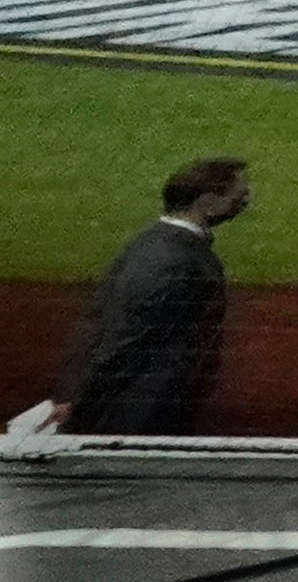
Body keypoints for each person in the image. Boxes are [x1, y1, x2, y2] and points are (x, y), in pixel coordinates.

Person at [50, 156, 247, 434]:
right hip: (141, 415)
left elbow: (94, 323)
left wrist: (73, 394)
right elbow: (124, 338)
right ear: (208, 203)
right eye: (237, 194)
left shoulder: (154, 243)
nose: (245, 200)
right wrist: (80, 403)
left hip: (146, 404)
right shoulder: (175, 260)